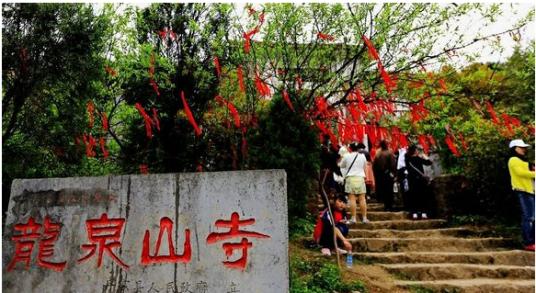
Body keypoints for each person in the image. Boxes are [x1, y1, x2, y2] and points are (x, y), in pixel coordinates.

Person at [507, 139, 535, 251]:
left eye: (524, 147)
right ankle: (529, 242)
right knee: (528, 217)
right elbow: (521, 173)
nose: (523, 149)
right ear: (514, 148)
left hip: (530, 190)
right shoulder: (513, 160)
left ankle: (532, 242)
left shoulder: (523, 161)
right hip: (523, 190)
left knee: (532, 217)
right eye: (521, 147)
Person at [339, 142, 369, 223]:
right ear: (358, 148)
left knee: (352, 199)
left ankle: (353, 218)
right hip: (360, 177)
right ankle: (364, 218)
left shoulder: (347, 156)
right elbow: (365, 166)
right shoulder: (362, 156)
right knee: (362, 199)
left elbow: (341, 165)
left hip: (350, 178)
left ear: (350, 149)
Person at [405, 145, 432, 220]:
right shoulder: (419, 159)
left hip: (412, 180)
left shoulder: (408, 160)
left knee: (413, 196)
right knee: (422, 196)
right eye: (417, 150)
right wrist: (425, 156)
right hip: (420, 180)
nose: (418, 151)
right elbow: (429, 162)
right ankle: (423, 213)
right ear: (414, 151)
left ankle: (415, 213)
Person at [373, 140, 397, 211]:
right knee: (389, 190)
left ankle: (386, 206)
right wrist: (395, 174)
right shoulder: (389, 154)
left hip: (380, 176)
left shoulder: (378, 155)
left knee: (384, 190)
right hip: (388, 175)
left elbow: (374, 166)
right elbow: (393, 165)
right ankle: (389, 206)